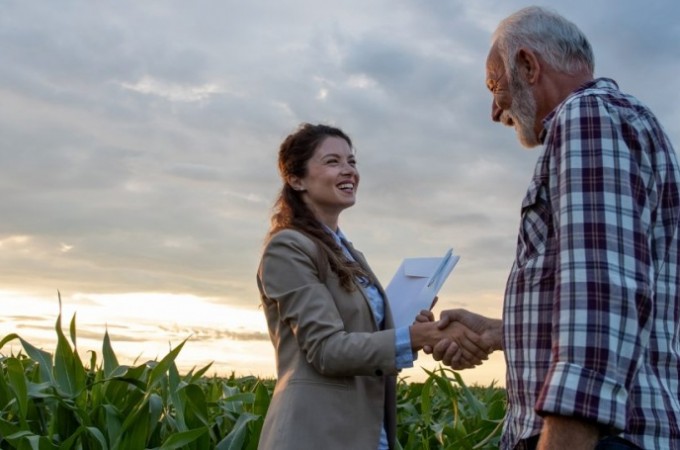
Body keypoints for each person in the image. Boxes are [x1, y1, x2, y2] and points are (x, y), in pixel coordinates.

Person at [425, 6, 680, 450]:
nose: (494, 108)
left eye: (494, 84)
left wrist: (564, 436)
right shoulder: (620, 119)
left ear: (527, 65)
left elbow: (601, 293)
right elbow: (626, 297)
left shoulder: (586, 117)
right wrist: (499, 331)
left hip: (599, 437)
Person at [256, 122, 488, 450]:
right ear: (296, 179)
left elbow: (366, 338)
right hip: (317, 434)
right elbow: (327, 350)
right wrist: (414, 336)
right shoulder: (288, 247)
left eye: (352, 161)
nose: (348, 170)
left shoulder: (350, 253)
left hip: (369, 432)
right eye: (333, 161)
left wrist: (411, 327)